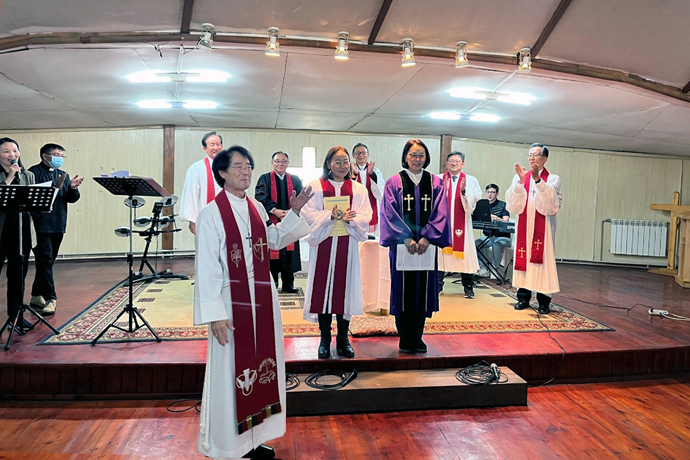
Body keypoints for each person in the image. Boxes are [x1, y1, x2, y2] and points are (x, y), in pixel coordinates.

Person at [193, 145, 313, 459]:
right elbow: (206, 267)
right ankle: (229, 444)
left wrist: (296, 212)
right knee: (232, 371)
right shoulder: (211, 214)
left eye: (248, 166)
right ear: (221, 172)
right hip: (230, 304)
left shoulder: (257, 208)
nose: (246, 171)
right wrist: (213, 313)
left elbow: (273, 240)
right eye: (238, 166)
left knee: (263, 367)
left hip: (262, 297)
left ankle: (254, 437)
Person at [380, 139, 450, 354]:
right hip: (403, 247)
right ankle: (404, 338)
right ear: (405, 157)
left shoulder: (436, 183)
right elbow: (389, 212)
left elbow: (441, 212)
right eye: (413, 155)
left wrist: (427, 237)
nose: (417, 159)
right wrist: (406, 238)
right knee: (403, 291)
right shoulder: (394, 183)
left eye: (421, 155)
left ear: (426, 158)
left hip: (425, 248)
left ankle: (417, 337)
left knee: (422, 290)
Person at [301, 146, 372, 359]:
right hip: (324, 243)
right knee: (323, 291)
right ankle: (324, 339)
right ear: (328, 163)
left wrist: (353, 218)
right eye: (337, 162)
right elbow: (307, 213)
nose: (342, 166)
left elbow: (365, 215)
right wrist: (328, 217)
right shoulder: (316, 186)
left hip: (347, 246)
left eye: (345, 161)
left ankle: (343, 339)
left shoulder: (359, 189)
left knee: (345, 290)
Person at [505, 143, 561, 314]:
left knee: (542, 262)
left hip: (542, 229)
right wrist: (520, 182)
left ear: (544, 158)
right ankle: (523, 298)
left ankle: (544, 302)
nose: (531, 158)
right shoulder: (520, 176)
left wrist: (537, 180)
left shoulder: (552, 178)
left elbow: (551, 205)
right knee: (523, 260)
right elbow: (513, 205)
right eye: (529, 155)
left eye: (535, 155)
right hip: (524, 226)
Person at [28, 143, 83, 316]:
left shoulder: (63, 175)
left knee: (47, 262)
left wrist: (72, 188)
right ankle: (51, 298)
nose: (59, 158)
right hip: (40, 225)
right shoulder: (32, 173)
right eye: (56, 154)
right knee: (45, 261)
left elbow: (70, 199)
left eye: (61, 155)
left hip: (58, 223)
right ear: (45, 156)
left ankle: (36, 295)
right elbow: (33, 198)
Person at [0, 137, 36, 331]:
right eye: (6, 152)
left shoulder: (28, 175)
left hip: (21, 231)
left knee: (18, 275)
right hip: (1, 231)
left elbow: (34, 204)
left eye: (15, 150)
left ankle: (16, 317)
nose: (12, 155)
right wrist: (8, 178)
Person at [254, 151, 304, 293]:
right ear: (272, 163)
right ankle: (273, 283)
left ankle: (288, 284)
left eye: (283, 161)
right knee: (273, 252)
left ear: (288, 163)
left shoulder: (295, 180)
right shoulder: (264, 178)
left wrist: (291, 212)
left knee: (290, 253)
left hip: (291, 220)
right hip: (271, 221)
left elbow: (301, 197)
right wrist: (275, 211)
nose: (280, 164)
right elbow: (260, 197)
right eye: (277, 161)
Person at [437, 151, 482, 299]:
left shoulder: (471, 180)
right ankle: (438, 286)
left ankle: (468, 288)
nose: (454, 163)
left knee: (465, 256)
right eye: (451, 161)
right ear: (447, 163)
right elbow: (431, 199)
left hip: (463, 225)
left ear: (463, 163)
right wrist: (442, 189)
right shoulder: (438, 178)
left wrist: (464, 190)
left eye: (457, 161)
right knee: (440, 255)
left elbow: (475, 199)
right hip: (442, 224)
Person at [180, 131, 223, 235]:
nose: (215, 148)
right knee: (207, 248)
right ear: (205, 148)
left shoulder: (230, 167)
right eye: (212, 145)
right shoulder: (197, 168)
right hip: (204, 217)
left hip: (225, 217)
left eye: (218, 144)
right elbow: (191, 194)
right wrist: (192, 220)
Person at [476, 183, 511, 278]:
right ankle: (483, 268)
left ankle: (494, 269)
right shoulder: (482, 205)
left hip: (502, 237)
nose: (490, 194)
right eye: (488, 192)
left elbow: (506, 220)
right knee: (476, 243)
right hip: (487, 236)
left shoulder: (503, 205)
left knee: (497, 245)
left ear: (497, 194)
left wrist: (496, 218)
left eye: (492, 192)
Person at [350, 143, 384, 238]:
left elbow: (381, 192)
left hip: (371, 206)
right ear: (353, 156)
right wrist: (354, 176)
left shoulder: (375, 171)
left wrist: (372, 174)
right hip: (356, 207)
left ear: (368, 155)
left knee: (371, 243)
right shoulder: (348, 170)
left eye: (363, 153)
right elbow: (346, 191)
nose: (361, 155)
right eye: (358, 153)